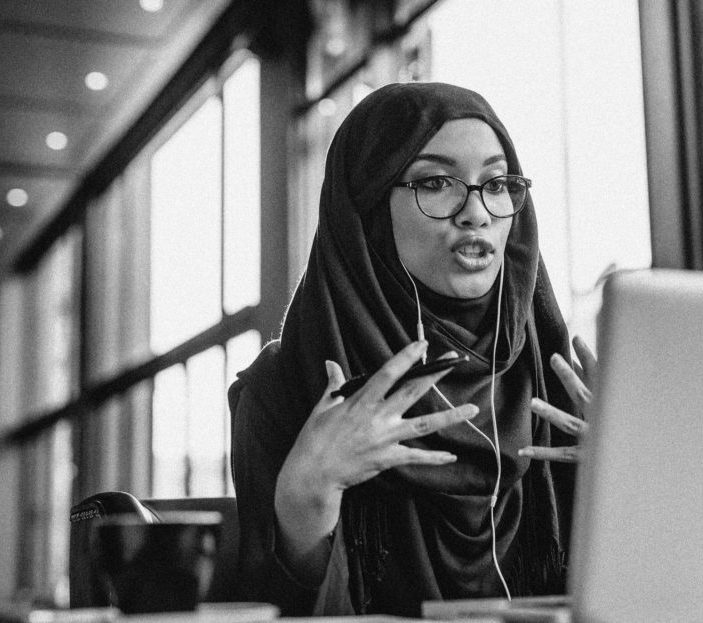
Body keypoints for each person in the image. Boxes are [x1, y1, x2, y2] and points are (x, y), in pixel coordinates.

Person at [228, 81, 595, 617]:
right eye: (437, 181)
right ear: (368, 208)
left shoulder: (556, 381)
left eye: (496, 183)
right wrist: (306, 498)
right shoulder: (287, 386)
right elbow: (273, 607)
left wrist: (625, 488)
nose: (477, 213)